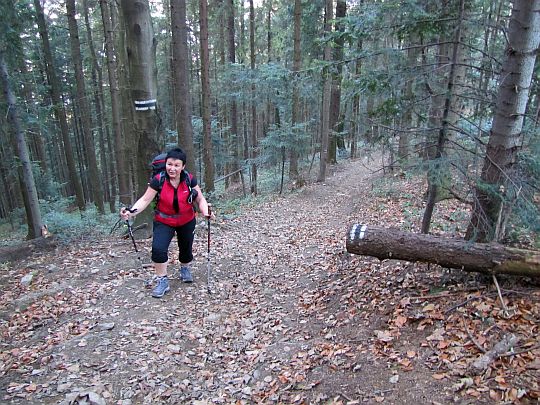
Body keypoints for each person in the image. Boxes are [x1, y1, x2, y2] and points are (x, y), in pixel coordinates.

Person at [120, 147, 213, 298]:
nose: (172, 168)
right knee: (158, 249)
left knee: (186, 248)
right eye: (169, 164)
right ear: (165, 164)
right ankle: (162, 280)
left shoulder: (189, 179)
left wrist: (206, 212)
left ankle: (184, 268)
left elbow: (200, 198)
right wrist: (131, 212)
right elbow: (145, 199)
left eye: (177, 165)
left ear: (183, 166)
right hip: (164, 220)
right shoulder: (159, 180)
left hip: (186, 219)